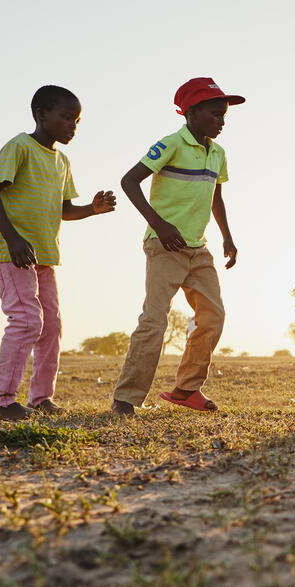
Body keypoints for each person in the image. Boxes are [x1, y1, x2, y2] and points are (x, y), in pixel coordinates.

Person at [0, 85, 116, 420]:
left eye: (78, 120)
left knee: (51, 326)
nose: (73, 125)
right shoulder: (19, 147)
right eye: (66, 117)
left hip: (44, 257)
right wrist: (12, 239)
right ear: (41, 115)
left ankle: (41, 398)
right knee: (27, 321)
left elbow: (64, 210)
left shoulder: (62, 161)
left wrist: (92, 209)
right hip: (12, 253)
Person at [111, 78, 244, 416]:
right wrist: (159, 224)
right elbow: (129, 181)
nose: (222, 122)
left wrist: (227, 236)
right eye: (215, 114)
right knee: (155, 320)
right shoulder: (171, 144)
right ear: (192, 113)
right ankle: (125, 399)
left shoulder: (218, 153)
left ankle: (186, 389)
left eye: (224, 116)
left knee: (213, 316)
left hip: (198, 250)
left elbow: (216, 196)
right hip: (164, 245)